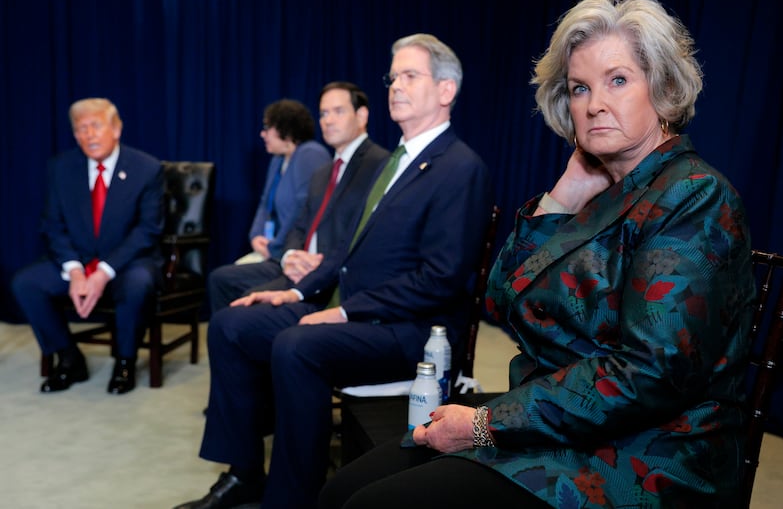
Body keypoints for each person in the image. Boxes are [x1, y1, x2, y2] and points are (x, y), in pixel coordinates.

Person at [319, 0, 756, 509]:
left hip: (649, 455)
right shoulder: (603, 193)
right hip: (561, 425)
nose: (594, 104)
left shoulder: (692, 194)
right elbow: (500, 298)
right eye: (579, 88)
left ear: (661, 88)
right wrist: (563, 194)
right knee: (340, 491)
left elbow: (650, 374)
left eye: (618, 80)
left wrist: (484, 424)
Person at [174, 33, 493, 509]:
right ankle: (244, 473)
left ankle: (291, 498)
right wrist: (296, 293)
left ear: (446, 91)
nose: (395, 86)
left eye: (410, 75)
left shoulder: (460, 166)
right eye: (393, 76)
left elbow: (440, 278)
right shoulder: (398, 161)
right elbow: (347, 248)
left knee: (297, 346)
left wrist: (342, 314)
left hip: (410, 330)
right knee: (231, 324)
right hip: (361, 311)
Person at [11, 97, 164, 395]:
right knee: (26, 283)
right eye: (81, 129)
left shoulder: (147, 168)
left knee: (138, 284)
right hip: (78, 259)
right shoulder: (61, 167)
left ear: (116, 129)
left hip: (128, 260)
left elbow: (148, 230)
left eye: (96, 126)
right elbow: (52, 226)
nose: (88, 135)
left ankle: (124, 362)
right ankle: (69, 358)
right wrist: (76, 271)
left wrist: (103, 272)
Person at [207, 82, 390, 312]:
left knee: (243, 307)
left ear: (361, 115)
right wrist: (285, 252)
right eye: (323, 113)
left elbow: (349, 234)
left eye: (338, 111)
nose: (328, 120)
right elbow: (296, 220)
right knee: (225, 287)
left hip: (324, 273)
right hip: (294, 262)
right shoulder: (320, 171)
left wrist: (283, 253)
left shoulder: (372, 164)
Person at [234, 99, 330, 265]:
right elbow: (265, 203)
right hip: (275, 251)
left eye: (267, 128)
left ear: (285, 129)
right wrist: (256, 236)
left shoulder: (310, 154)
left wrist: (274, 248)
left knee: (224, 278)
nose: (262, 134)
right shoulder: (277, 160)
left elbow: (302, 212)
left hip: (296, 254)